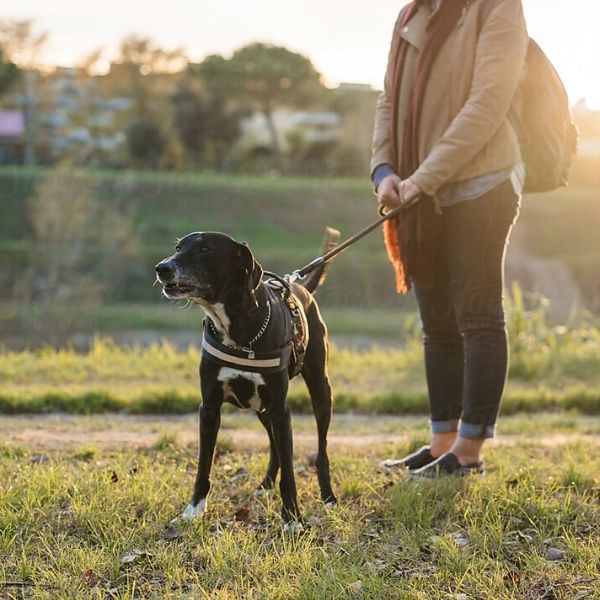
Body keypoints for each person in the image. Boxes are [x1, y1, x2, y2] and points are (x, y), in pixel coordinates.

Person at [371, 0, 528, 477]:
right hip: (420, 187)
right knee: (435, 319)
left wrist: (423, 177)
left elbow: (488, 102)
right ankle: (441, 442)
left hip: (483, 181)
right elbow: (387, 100)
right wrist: (384, 171)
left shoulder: (497, 7)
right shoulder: (410, 13)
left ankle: (469, 449)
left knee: (476, 314)